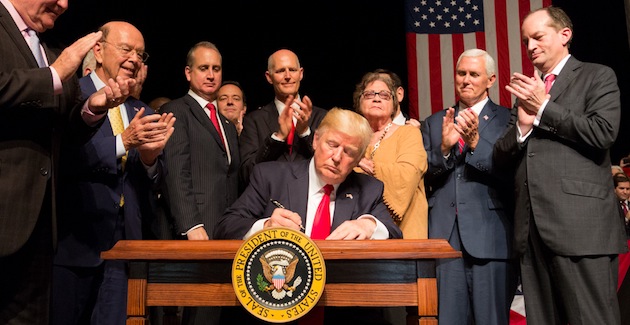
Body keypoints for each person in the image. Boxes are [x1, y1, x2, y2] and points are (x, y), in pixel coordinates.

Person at [0, 0, 135, 323]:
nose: (64, 4)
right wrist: (55, 74)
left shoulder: (45, 48)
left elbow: (64, 134)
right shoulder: (55, 59)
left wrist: (94, 108)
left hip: (42, 227)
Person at [494, 6, 626, 324]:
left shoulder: (597, 76)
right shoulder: (527, 93)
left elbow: (603, 132)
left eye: (538, 37)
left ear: (564, 35)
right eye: (526, 41)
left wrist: (544, 108)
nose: (530, 46)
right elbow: (500, 157)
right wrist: (523, 127)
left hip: (581, 228)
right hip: (533, 231)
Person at [51, 21, 175, 325]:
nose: (134, 59)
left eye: (140, 54)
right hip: (75, 244)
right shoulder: (71, 95)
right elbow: (62, 160)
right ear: (98, 50)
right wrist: (123, 142)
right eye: (126, 49)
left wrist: (149, 160)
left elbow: (152, 181)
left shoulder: (140, 110)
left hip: (124, 246)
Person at [421, 49, 517, 325]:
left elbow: (511, 175)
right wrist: (444, 150)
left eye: (474, 74)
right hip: (445, 237)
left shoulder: (507, 119)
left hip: (491, 235)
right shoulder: (435, 121)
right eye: (461, 73)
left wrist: (475, 143)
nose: (465, 80)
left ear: (491, 80)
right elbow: (425, 177)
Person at [215, 107, 402, 240]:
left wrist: (369, 225)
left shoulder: (368, 189)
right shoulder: (271, 177)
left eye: (349, 152)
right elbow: (225, 226)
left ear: (358, 158)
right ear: (316, 140)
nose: (337, 157)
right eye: (332, 145)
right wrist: (265, 227)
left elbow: (393, 233)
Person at [157, 41, 240, 325]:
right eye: (203, 68)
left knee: (219, 309)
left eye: (216, 68)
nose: (211, 75)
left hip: (226, 231)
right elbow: (176, 172)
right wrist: (191, 225)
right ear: (188, 73)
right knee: (196, 312)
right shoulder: (176, 111)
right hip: (197, 231)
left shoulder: (226, 123)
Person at [353, 71, 428, 239]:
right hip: (357, 234)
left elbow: (405, 177)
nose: (377, 98)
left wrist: (360, 167)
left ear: (394, 103)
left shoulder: (409, 134)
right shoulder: (351, 139)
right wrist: (355, 162)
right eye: (369, 94)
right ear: (359, 101)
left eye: (385, 95)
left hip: (403, 234)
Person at [239, 49, 328, 188]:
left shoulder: (323, 117)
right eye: (280, 71)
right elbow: (247, 173)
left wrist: (305, 132)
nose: (287, 76)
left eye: (292, 70)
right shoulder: (254, 120)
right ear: (269, 77)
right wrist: (278, 137)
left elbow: (330, 163)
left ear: (301, 73)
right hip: (269, 201)